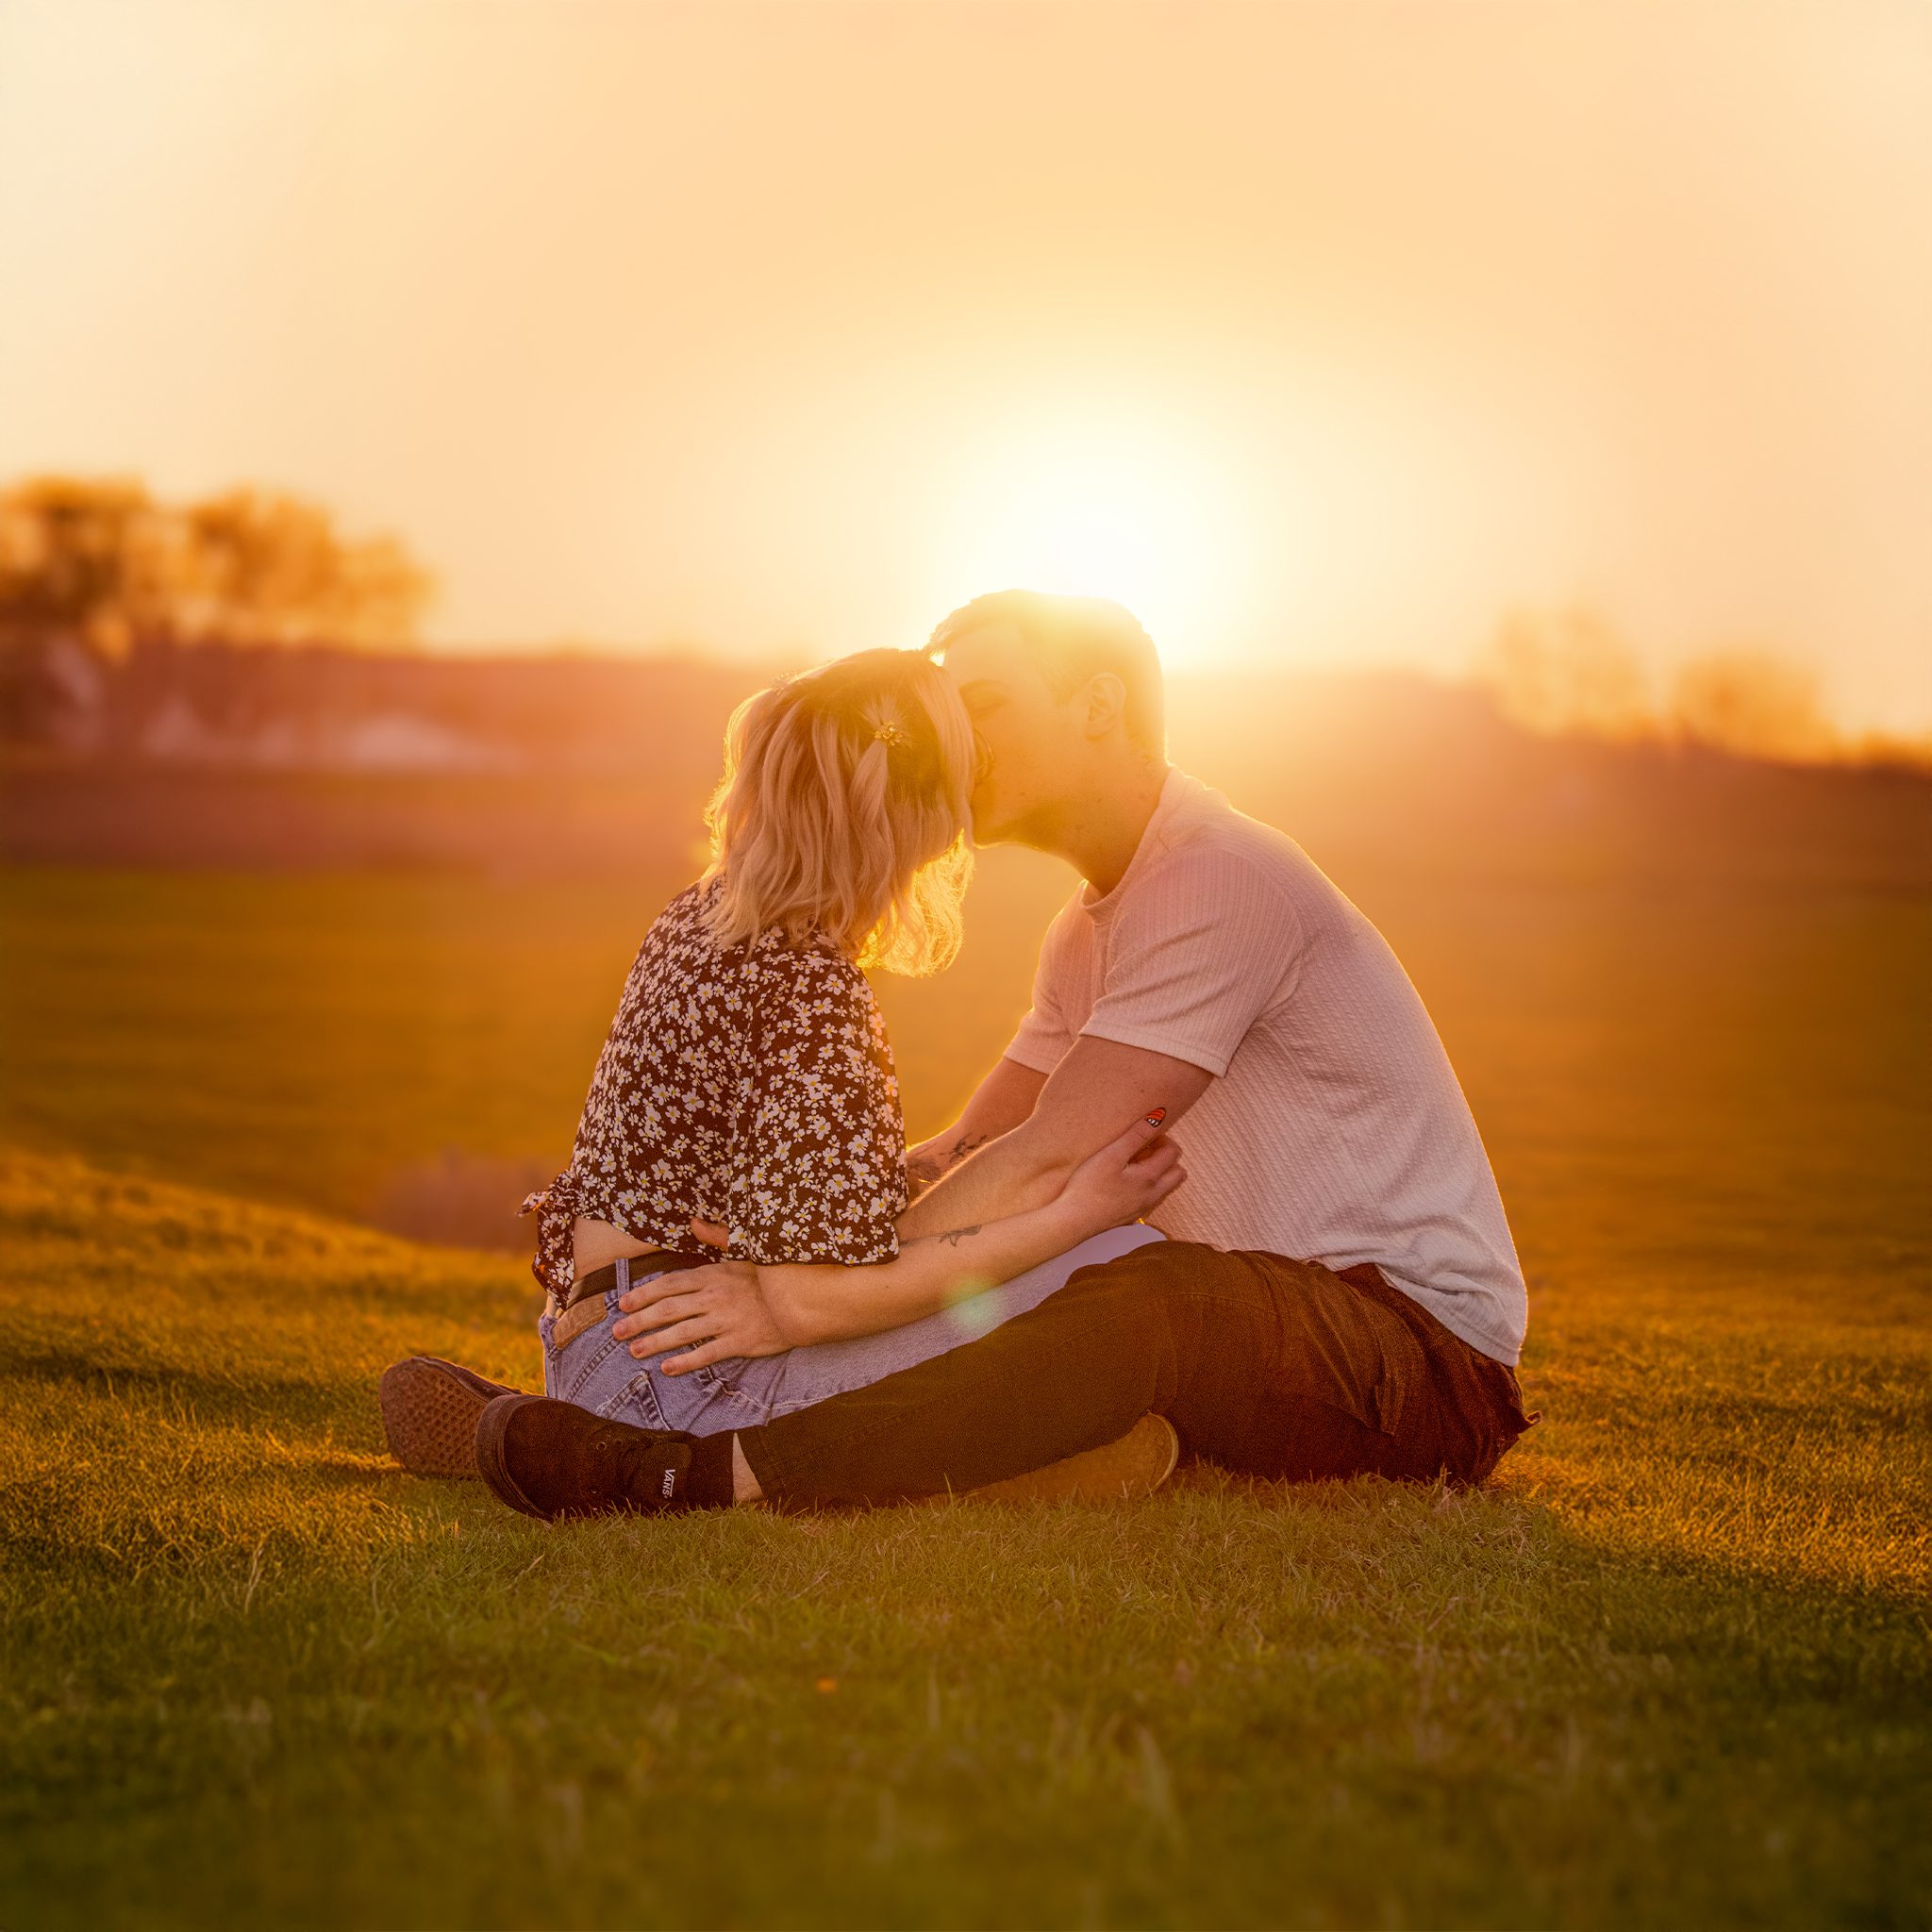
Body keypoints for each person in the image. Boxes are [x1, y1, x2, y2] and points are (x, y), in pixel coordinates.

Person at [454, 591, 1538, 1521]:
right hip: (1267, 1324)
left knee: (1140, 1284)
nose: (962, 747)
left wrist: (800, 1286)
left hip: (1414, 1353)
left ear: (1097, 707)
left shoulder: (1217, 882)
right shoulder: (1082, 931)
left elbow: (1047, 1159)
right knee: (1080, 1270)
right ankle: (1010, 1461)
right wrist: (803, 1237)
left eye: (986, 706)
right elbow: (977, 1147)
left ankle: (700, 1472)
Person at [378, 642, 1187, 1503]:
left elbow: (811, 1225)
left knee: (1053, 1288)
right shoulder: (810, 987)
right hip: (687, 1375)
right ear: (915, 819)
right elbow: (810, 1303)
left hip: (604, 1341)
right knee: (1120, 1255)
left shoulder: (702, 915)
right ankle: (702, 1463)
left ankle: (558, 1430)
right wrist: (1075, 1214)